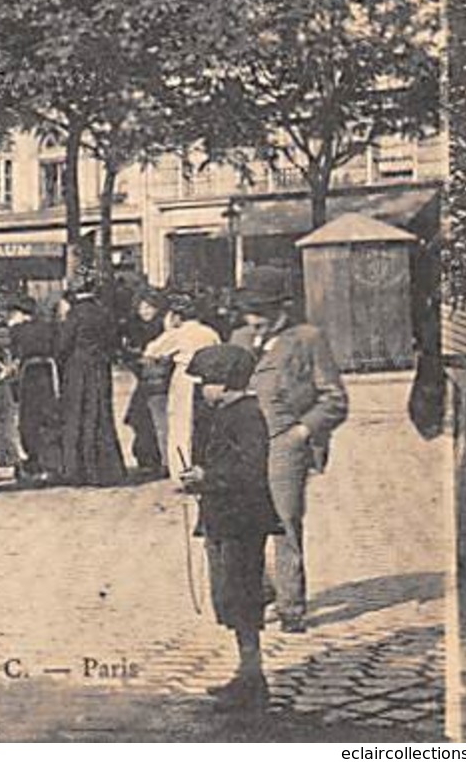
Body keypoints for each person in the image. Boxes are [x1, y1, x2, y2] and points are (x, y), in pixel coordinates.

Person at [230, 265, 348, 635]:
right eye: (249, 310)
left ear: (283, 307)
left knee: (284, 523)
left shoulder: (308, 339)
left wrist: (302, 432)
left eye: (262, 310)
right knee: (245, 521)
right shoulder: (238, 338)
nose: (254, 319)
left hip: (285, 442)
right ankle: (261, 592)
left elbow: (334, 400)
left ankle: (291, 607)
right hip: (245, 443)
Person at [178, 344, 285, 712]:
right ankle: (247, 674)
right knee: (231, 596)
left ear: (224, 384)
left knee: (243, 596)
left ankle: (254, 680)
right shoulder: (222, 413)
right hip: (222, 517)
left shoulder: (247, 415)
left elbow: (252, 470)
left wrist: (208, 475)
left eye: (206, 382)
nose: (202, 390)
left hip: (242, 520)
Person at [56, 268, 126, 486]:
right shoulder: (104, 312)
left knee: (77, 415)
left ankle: (78, 471)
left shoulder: (75, 314)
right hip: (100, 367)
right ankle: (105, 470)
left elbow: (62, 345)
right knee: (101, 416)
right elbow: (114, 341)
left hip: (78, 369)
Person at [144, 293, 223, 479]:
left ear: (177, 316)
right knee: (204, 426)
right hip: (208, 379)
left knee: (181, 424)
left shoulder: (177, 333)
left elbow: (151, 352)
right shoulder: (209, 332)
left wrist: (167, 328)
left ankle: (182, 470)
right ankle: (203, 468)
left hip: (185, 378)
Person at [6, 295, 61, 482]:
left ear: (20, 313)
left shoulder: (18, 330)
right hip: (47, 371)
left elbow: (13, 354)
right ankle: (52, 462)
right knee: (48, 416)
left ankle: (34, 461)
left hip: (29, 373)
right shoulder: (47, 327)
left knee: (28, 418)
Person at [121, 289, 169, 479]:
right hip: (144, 377)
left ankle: (155, 458)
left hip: (158, 378)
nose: (145, 312)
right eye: (142, 308)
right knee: (140, 418)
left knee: (151, 417)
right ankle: (146, 458)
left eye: (149, 308)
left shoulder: (162, 327)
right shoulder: (134, 327)